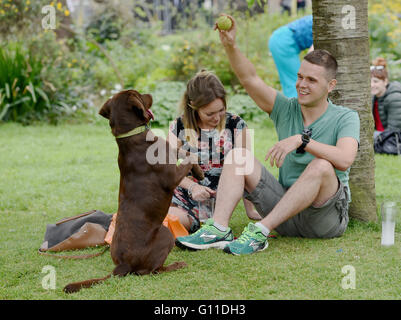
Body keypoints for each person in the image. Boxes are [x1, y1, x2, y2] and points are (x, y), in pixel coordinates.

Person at [175, 15, 360, 255]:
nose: (302, 84)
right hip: (284, 214)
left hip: (323, 220)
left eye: (311, 80)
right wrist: (230, 45)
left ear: (330, 85)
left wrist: (302, 140)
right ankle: (219, 230)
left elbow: (345, 159)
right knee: (238, 155)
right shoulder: (286, 108)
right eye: (300, 76)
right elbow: (249, 79)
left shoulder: (346, 117)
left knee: (322, 166)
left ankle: (259, 233)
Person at [167, 70, 261, 233]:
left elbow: (245, 168)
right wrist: (192, 187)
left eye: (221, 110)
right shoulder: (179, 126)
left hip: (219, 199)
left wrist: (251, 209)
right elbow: (165, 168)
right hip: (184, 192)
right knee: (164, 221)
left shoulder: (236, 125)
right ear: (193, 106)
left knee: (171, 224)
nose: (217, 118)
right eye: (209, 113)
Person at [268, 15, 313, 98]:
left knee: (292, 83)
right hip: (284, 41)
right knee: (296, 83)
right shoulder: (325, 25)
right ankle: (296, 109)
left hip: (280, 38)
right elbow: (311, 53)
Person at [370, 57, 401, 139]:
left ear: (385, 81)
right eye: (369, 81)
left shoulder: (395, 98)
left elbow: (394, 131)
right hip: (381, 136)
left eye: (375, 81)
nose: (371, 85)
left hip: (393, 139)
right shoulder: (374, 98)